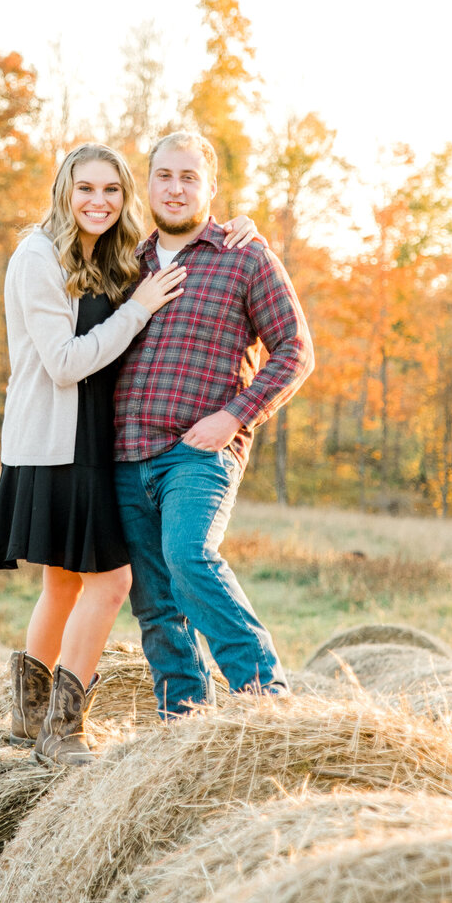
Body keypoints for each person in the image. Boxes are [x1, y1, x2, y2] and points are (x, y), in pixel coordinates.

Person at [0, 141, 257, 766]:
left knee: (63, 584)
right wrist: (136, 309)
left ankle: (29, 720)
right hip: (55, 441)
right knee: (112, 583)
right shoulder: (38, 255)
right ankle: (62, 731)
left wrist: (239, 227)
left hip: (89, 438)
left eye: (111, 190)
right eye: (86, 189)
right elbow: (63, 362)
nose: (98, 201)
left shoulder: (107, 254)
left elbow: (184, 233)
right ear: (63, 191)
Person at [112, 129, 315, 718]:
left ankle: (265, 701)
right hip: (125, 454)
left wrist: (234, 416)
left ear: (211, 187)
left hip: (198, 452)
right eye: (165, 176)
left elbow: (295, 351)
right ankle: (185, 723)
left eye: (189, 177)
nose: (175, 189)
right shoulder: (129, 261)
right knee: (153, 603)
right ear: (147, 184)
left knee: (189, 555)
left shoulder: (244, 255)